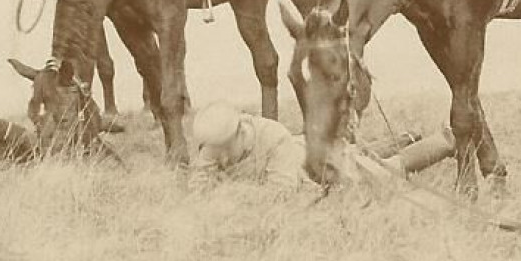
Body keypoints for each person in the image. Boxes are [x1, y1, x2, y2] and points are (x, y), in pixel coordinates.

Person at [189, 101, 456, 193]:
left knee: (383, 172)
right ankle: (405, 137)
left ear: (239, 135)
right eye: (214, 151)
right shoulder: (217, 140)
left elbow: (280, 194)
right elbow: (199, 180)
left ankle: (446, 140)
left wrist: (230, 191)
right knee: (359, 154)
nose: (219, 158)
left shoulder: (274, 140)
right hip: (311, 150)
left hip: (322, 167)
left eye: (223, 150)